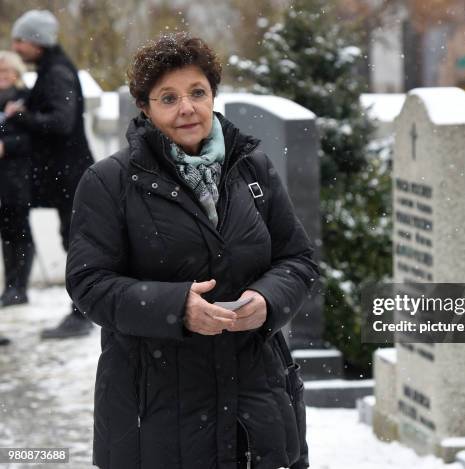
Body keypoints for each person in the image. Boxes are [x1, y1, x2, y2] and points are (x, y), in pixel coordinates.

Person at [66, 33, 317, 469]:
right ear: (144, 107)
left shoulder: (251, 168)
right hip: (156, 414)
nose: (187, 108)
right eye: (168, 97)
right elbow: (89, 284)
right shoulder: (109, 182)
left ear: (213, 95)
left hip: (257, 408)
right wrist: (175, 308)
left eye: (197, 92)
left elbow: (297, 259)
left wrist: (268, 299)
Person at [7, 10, 95, 338]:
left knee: (77, 242)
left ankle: (81, 314)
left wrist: (23, 116)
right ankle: (81, 311)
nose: (15, 47)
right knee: (72, 239)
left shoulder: (57, 72)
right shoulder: (49, 69)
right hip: (65, 173)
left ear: (37, 42)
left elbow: (61, 121)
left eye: (20, 40)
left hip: (70, 174)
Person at [0, 50, 32, 312]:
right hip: (3, 176)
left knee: (19, 229)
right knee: (7, 231)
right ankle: (10, 285)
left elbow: (31, 138)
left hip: (18, 175)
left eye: (5, 71)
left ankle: (20, 286)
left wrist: (5, 146)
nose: (2, 77)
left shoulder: (24, 98)